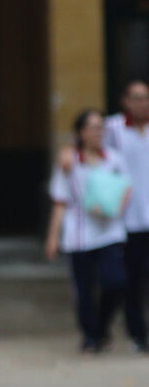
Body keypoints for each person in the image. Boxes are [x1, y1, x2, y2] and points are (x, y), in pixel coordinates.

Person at [46, 110, 132, 353]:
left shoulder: (114, 159)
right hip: (79, 234)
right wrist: (53, 237)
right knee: (84, 291)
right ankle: (91, 337)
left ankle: (102, 326)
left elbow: (126, 188)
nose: (98, 132)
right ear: (81, 132)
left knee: (115, 281)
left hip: (109, 231)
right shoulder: (69, 162)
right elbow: (60, 201)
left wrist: (114, 207)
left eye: (101, 127)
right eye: (92, 127)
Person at [104, 80, 149, 351]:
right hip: (128, 219)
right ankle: (137, 335)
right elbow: (83, 145)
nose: (143, 103)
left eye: (146, 97)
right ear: (125, 101)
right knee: (132, 281)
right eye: (137, 97)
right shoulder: (113, 128)